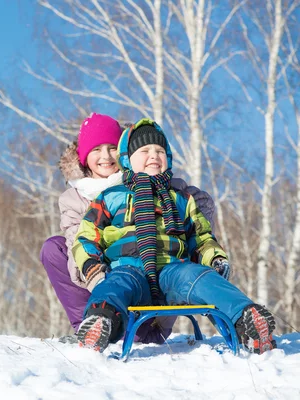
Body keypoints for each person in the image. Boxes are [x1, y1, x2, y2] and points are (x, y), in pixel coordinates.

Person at [72, 118, 277, 354]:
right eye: (145, 150)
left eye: (160, 150)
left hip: (173, 270)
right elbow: (86, 237)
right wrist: (91, 265)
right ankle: (101, 320)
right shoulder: (111, 197)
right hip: (128, 268)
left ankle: (246, 320)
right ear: (127, 160)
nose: (153, 155)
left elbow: (201, 237)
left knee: (200, 277)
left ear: (168, 158)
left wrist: (213, 258)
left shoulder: (180, 198)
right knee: (114, 286)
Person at [40, 113, 214, 344]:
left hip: (149, 292)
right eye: (96, 149)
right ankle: (91, 325)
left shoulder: (142, 180)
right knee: (56, 248)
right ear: (83, 157)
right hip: (105, 284)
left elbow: (196, 206)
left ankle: (134, 321)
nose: (105, 156)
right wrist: (100, 279)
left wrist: (180, 199)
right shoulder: (75, 198)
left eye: (112, 148)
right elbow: (77, 244)